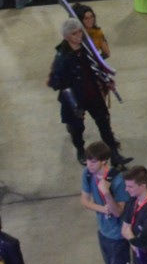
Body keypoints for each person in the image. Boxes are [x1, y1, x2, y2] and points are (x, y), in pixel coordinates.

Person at [78, 143, 142, 264]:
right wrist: (101, 208)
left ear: (103, 161)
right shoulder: (87, 174)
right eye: (88, 161)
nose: (88, 165)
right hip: (103, 232)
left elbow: (118, 211)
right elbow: (84, 200)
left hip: (117, 236)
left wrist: (106, 193)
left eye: (92, 161)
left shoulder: (117, 181)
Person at [50, 19, 125, 162]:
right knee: (77, 128)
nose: (78, 35)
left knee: (104, 123)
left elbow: (98, 67)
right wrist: (72, 99)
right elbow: (57, 82)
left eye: (79, 32)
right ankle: (80, 151)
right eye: (74, 33)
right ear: (66, 37)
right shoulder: (62, 58)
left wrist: (107, 80)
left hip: (93, 93)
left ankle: (114, 154)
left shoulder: (87, 49)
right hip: (75, 99)